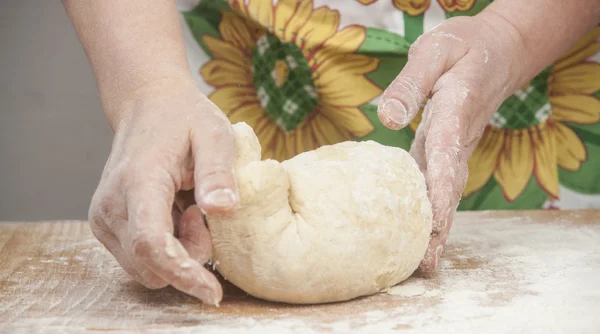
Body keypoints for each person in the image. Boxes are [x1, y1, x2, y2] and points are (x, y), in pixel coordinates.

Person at [61, 0, 600, 305]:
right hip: (257, 69)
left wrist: (511, 34)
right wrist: (147, 88)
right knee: (220, 197)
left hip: (536, 89)